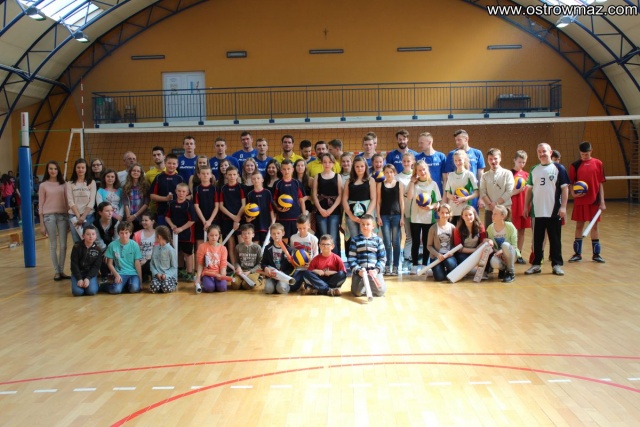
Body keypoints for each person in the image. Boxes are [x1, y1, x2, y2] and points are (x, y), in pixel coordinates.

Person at [524, 143, 570, 276]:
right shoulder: (534, 169)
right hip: (537, 211)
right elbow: (529, 190)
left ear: (550, 152)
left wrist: (563, 207)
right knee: (537, 240)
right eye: (539, 152)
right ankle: (536, 264)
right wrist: (525, 206)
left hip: (554, 211)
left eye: (544, 151)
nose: (541, 154)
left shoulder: (559, 168)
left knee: (555, 239)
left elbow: (565, 189)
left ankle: (556, 265)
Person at [568, 141, 607, 263]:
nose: (584, 156)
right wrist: (573, 193)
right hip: (580, 201)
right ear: (580, 153)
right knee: (579, 225)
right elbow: (570, 183)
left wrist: (602, 201)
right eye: (582, 154)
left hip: (594, 201)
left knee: (594, 226)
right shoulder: (575, 165)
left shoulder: (598, 163)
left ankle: (596, 254)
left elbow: (600, 183)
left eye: (587, 154)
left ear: (591, 151)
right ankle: (577, 254)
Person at [406, 159, 441, 270]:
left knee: (427, 242)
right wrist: (412, 182)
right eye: (419, 170)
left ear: (427, 169)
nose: (422, 172)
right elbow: (410, 197)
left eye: (424, 169)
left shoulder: (433, 184)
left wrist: (431, 207)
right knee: (415, 242)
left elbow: (437, 202)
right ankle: (414, 264)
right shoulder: (413, 183)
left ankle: (425, 264)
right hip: (415, 217)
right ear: (416, 172)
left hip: (428, 217)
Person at [39, 160, 70, 281]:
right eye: (51, 168)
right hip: (48, 217)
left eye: (55, 169)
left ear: (58, 170)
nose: (53, 171)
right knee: (53, 245)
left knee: (63, 245)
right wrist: (42, 224)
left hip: (63, 216)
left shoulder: (64, 184)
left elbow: (67, 202)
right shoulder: (43, 185)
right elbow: (40, 205)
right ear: (47, 170)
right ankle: (57, 272)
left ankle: (61, 270)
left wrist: (69, 218)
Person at [443, 130, 485, 210]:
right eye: (456, 140)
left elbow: (481, 177)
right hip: (456, 197)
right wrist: (446, 199)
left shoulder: (477, 153)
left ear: (466, 139)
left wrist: (481, 197)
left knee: (471, 216)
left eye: (459, 140)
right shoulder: (452, 154)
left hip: (472, 195)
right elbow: (447, 178)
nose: (457, 142)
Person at [348, 214, 387, 298]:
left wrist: (376, 270)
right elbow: (351, 259)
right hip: (361, 272)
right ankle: (365, 286)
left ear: (373, 226)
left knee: (381, 291)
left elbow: (382, 258)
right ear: (360, 225)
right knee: (356, 293)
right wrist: (358, 271)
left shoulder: (378, 240)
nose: (365, 226)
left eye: (368, 224)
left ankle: (369, 286)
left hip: (374, 272)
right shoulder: (355, 240)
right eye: (363, 224)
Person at [312, 153, 343, 255]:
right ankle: (325, 260)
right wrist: (320, 209)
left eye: (329, 162)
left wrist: (331, 209)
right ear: (322, 163)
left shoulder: (338, 176)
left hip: (334, 211)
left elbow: (340, 195)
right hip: (321, 210)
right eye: (325, 162)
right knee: (324, 237)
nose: (327, 164)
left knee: (333, 237)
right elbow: (314, 195)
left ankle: (335, 260)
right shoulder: (317, 176)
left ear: (333, 163)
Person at [166, 182, 197, 282]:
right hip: (175, 233)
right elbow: (167, 217)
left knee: (188, 253)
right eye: (179, 191)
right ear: (175, 191)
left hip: (187, 234)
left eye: (183, 191)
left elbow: (192, 220)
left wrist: (181, 229)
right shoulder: (171, 204)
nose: (181, 193)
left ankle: (189, 273)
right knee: (178, 251)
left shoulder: (189, 205)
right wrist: (172, 226)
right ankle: (180, 270)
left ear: (187, 193)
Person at [376, 164, 404, 275]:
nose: (389, 174)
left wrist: (402, 217)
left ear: (394, 173)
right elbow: (378, 202)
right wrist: (378, 216)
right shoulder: (380, 185)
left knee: (396, 242)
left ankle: (396, 266)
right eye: (386, 172)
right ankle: (387, 266)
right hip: (384, 216)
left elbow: (401, 201)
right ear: (384, 173)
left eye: (391, 172)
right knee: (387, 242)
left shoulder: (399, 184)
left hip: (396, 215)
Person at [342, 156, 377, 244]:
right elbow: (344, 199)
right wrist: (351, 215)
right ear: (353, 167)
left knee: (366, 238)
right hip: (352, 214)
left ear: (365, 167)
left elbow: (373, 199)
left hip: (367, 213)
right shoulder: (348, 181)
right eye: (357, 166)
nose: (359, 168)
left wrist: (367, 214)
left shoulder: (370, 180)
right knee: (355, 239)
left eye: (362, 166)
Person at [273, 159, 306, 242]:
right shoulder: (277, 184)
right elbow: (273, 200)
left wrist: (304, 215)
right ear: (281, 170)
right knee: (284, 240)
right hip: (283, 217)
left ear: (292, 169)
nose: (286, 171)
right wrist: (278, 208)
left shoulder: (297, 183)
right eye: (284, 169)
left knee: (296, 240)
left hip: (296, 216)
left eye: (288, 169)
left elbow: (301, 200)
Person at [104, 221, 142, 294]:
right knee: (116, 290)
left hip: (133, 274)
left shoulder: (135, 245)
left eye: (126, 233)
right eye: (122, 233)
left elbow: (137, 264)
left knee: (134, 289)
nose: (124, 235)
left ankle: (124, 286)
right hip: (120, 273)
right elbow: (109, 263)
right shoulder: (112, 245)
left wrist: (140, 282)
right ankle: (105, 286)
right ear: (118, 233)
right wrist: (116, 275)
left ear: (130, 233)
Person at [479, 148, 513, 227]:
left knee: (506, 233)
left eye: (495, 158)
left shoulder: (507, 173)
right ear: (488, 160)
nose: (493, 161)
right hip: (489, 210)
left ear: (500, 158)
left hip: (504, 209)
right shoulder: (484, 176)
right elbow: (482, 192)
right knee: (489, 233)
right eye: (490, 159)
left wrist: (496, 204)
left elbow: (509, 191)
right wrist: (490, 205)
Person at [219, 166, 246, 265]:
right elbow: (221, 206)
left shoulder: (241, 187)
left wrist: (237, 218)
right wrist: (233, 217)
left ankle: (243, 266)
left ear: (238, 175)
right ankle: (234, 267)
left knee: (241, 243)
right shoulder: (223, 188)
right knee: (231, 244)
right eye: (229, 174)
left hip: (240, 219)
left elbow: (243, 205)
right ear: (226, 175)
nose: (232, 176)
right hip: (227, 219)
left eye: (234, 174)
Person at [486, 205, 519, 283]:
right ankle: (502, 269)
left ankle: (511, 273)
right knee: (494, 262)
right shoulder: (490, 228)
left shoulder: (510, 226)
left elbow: (514, 245)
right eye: (492, 213)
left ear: (502, 216)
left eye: (495, 214)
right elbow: (492, 245)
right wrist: (497, 252)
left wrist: (502, 251)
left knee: (505, 245)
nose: (492, 216)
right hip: (499, 254)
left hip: (511, 253)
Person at [444, 150, 478, 226]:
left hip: (465, 210)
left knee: (464, 231)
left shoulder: (469, 175)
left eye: (459, 160)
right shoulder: (451, 175)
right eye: (455, 160)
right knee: (453, 231)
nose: (457, 162)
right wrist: (452, 197)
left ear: (464, 160)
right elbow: (448, 194)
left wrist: (465, 198)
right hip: (453, 209)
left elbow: (476, 193)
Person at [66, 158, 97, 243]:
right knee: (77, 242)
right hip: (74, 216)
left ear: (86, 169)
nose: (80, 169)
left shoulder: (92, 182)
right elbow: (70, 201)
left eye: (83, 167)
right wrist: (78, 216)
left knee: (89, 241)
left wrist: (83, 216)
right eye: (78, 167)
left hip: (88, 215)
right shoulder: (70, 183)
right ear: (75, 169)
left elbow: (92, 201)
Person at [261, 222, 296, 294]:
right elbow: (263, 262)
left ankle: (283, 286)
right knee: (268, 290)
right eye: (273, 233)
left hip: (283, 276)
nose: (276, 235)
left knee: (281, 289)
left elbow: (292, 267)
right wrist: (265, 268)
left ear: (283, 233)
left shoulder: (288, 249)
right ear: (271, 235)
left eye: (278, 233)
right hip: (272, 276)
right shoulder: (267, 248)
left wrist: (284, 274)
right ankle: (274, 285)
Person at [149, 153, 183, 226]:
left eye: (174, 164)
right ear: (165, 163)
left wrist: (179, 200)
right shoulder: (159, 177)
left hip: (177, 212)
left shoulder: (180, 178)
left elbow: (188, 195)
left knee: (176, 232)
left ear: (177, 165)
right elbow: (152, 196)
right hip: (162, 212)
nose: (171, 165)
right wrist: (166, 199)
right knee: (162, 232)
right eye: (169, 163)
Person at [426, 203, 458, 281]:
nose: (444, 215)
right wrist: (437, 255)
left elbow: (455, 244)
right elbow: (429, 246)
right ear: (438, 213)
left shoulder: (453, 227)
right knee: (439, 278)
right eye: (442, 212)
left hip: (448, 255)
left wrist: (451, 252)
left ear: (450, 214)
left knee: (450, 264)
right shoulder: (433, 228)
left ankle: (447, 270)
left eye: (447, 213)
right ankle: (440, 270)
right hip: (436, 256)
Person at [289, 213, 319, 291]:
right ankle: (301, 282)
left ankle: (306, 283)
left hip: (309, 268)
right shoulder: (293, 238)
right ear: (297, 226)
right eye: (300, 228)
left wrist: (311, 262)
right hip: (298, 268)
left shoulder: (313, 239)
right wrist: (292, 260)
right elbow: (293, 251)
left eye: (304, 228)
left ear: (309, 225)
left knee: (310, 287)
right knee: (292, 287)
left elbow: (316, 253)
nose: (302, 230)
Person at [69, 225, 102, 296]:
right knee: (78, 292)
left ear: (96, 236)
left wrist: (88, 278)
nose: (91, 236)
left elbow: (96, 267)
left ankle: (94, 284)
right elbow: (74, 264)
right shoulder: (76, 247)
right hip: (78, 273)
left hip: (90, 273)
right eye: (88, 234)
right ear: (83, 236)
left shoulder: (98, 249)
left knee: (91, 291)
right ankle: (79, 283)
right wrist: (79, 278)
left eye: (93, 234)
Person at [195, 224, 229, 293]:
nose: (214, 237)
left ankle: (216, 284)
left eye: (216, 235)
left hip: (218, 273)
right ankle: (207, 283)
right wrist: (198, 278)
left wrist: (222, 275)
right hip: (207, 274)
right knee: (210, 288)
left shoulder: (223, 248)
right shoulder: (202, 247)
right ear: (208, 235)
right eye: (211, 235)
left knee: (222, 288)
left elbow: (223, 265)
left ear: (219, 236)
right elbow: (200, 264)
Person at [510, 150, 530, 264]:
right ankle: (510, 254)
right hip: (513, 207)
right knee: (511, 231)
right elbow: (506, 192)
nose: (521, 164)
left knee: (521, 231)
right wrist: (515, 192)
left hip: (523, 206)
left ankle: (519, 254)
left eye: (524, 162)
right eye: (519, 162)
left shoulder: (527, 175)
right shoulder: (509, 174)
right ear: (514, 160)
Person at [395, 152, 415, 266]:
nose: (406, 163)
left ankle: (417, 255)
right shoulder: (397, 177)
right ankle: (407, 256)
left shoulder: (417, 175)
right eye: (404, 161)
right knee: (409, 234)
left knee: (419, 235)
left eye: (408, 161)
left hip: (417, 208)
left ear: (413, 162)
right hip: (405, 208)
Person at [244, 171, 274, 244]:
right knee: (255, 245)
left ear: (262, 180)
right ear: (251, 181)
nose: (256, 180)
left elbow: (271, 209)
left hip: (265, 223)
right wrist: (248, 219)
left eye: (258, 178)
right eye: (254, 179)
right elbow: (247, 209)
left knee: (265, 245)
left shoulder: (267, 192)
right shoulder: (250, 194)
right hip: (254, 224)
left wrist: (272, 222)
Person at [193, 165, 219, 249]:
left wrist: (209, 221)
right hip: (200, 220)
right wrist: (204, 221)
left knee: (213, 245)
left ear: (211, 175)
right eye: (203, 173)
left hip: (213, 220)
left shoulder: (215, 189)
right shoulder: (196, 189)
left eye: (207, 173)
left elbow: (217, 206)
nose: (205, 175)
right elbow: (196, 206)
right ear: (199, 175)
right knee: (200, 245)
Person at [232, 224, 262, 290]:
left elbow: (260, 264)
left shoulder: (257, 248)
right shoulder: (238, 247)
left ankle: (259, 279)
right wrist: (238, 267)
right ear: (241, 235)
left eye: (249, 233)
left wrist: (250, 271)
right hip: (241, 271)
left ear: (253, 235)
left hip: (253, 271)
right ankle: (241, 281)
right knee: (235, 284)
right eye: (244, 233)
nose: (246, 235)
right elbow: (236, 261)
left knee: (246, 285)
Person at [149, 225, 178, 293]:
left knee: (166, 287)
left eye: (155, 235)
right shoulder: (155, 248)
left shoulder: (171, 250)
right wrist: (156, 273)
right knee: (154, 287)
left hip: (169, 276)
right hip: (158, 276)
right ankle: (160, 286)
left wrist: (166, 275)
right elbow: (152, 264)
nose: (154, 237)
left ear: (159, 236)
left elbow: (174, 267)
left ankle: (170, 284)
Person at [121, 163, 149, 232]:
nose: (136, 172)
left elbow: (146, 203)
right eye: (134, 170)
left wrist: (135, 215)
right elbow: (125, 202)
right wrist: (128, 216)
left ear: (141, 173)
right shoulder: (125, 186)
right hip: (129, 216)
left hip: (141, 216)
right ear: (130, 172)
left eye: (138, 171)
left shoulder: (145, 186)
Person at [133, 212, 157, 282]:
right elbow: (133, 250)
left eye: (146, 220)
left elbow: (159, 251)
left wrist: (146, 259)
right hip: (139, 261)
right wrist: (138, 260)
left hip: (152, 260)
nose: (143, 222)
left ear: (152, 221)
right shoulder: (137, 234)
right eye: (142, 220)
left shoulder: (158, 234)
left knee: (150, 264)